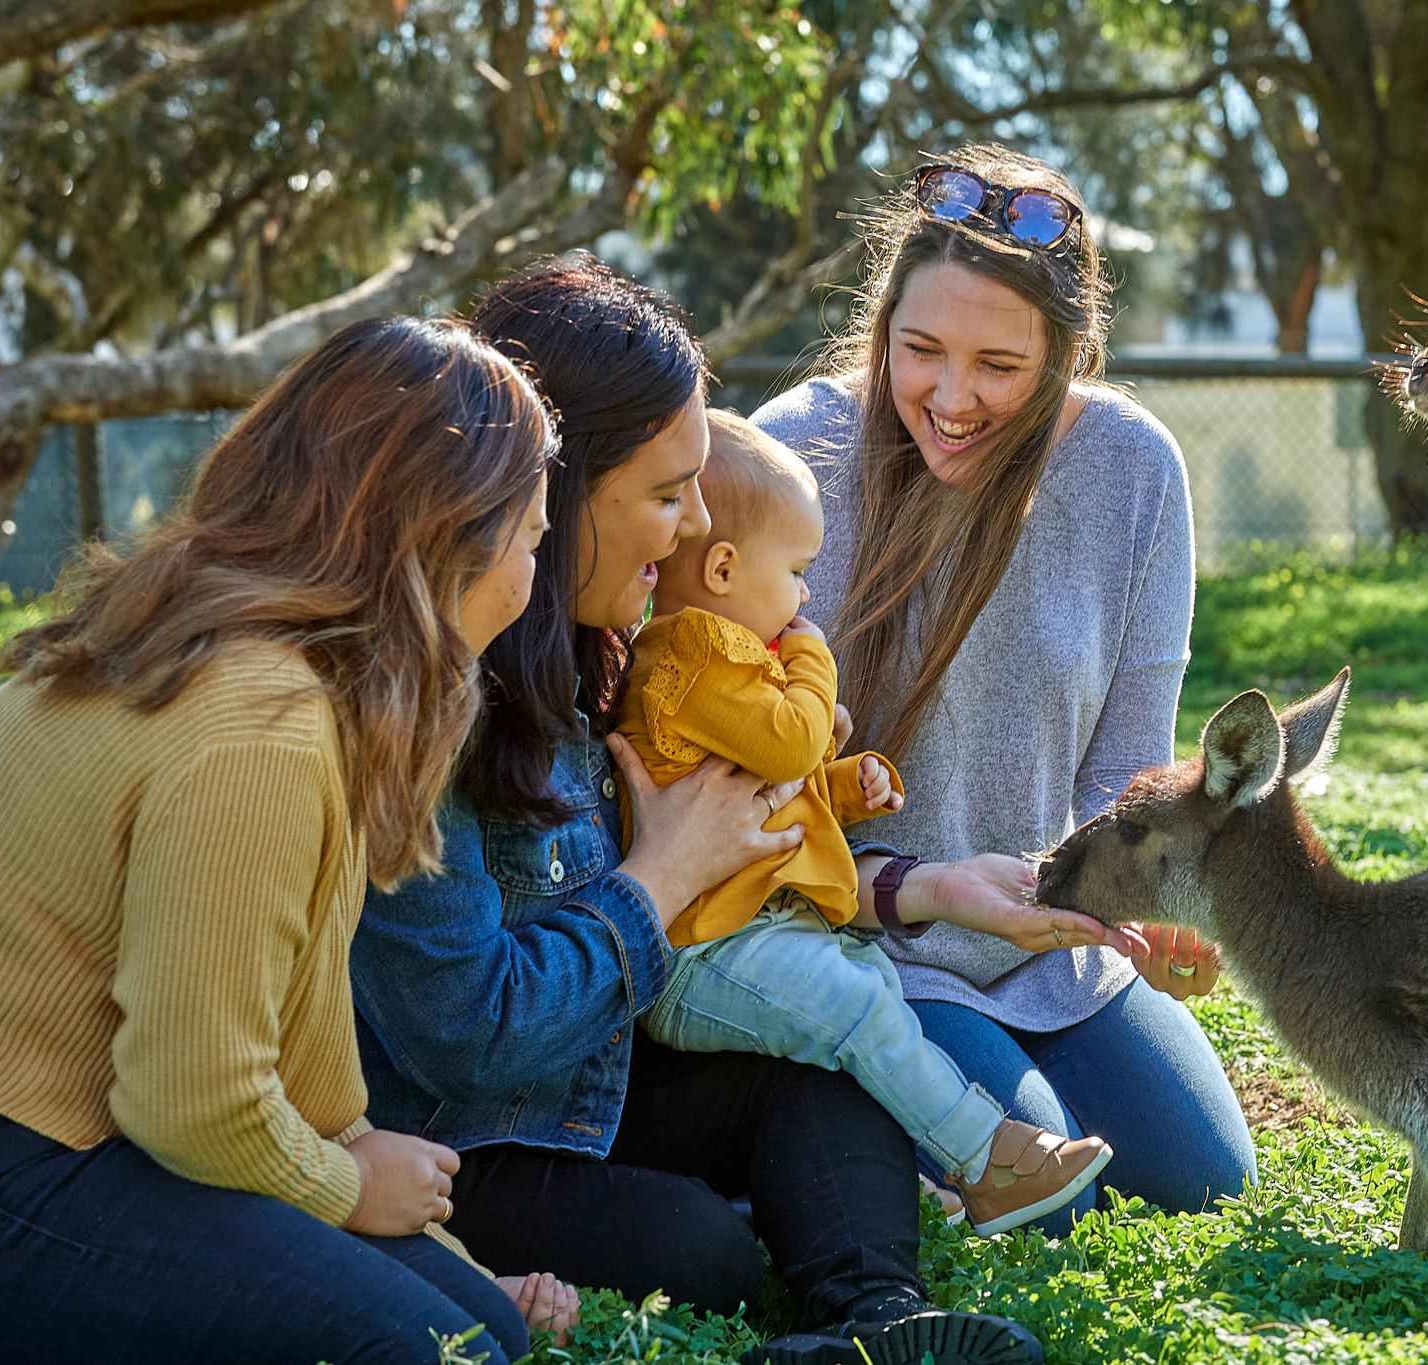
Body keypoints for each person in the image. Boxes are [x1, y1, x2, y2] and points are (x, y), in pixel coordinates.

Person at [346, 257, 1080, 1365]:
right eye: (662, 492)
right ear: (554, 485)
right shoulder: (434, 704)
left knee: (827, 1061)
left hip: (604, 1069)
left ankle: (875, 1323)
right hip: (466, 1134)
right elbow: (466, 1042)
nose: (692, 526)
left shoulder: (614, 657)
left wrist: (910, 883)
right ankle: (773, 1242)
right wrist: (658, 881)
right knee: (702, 1254)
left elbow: (745, 863)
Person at [0, 316, 577, 1364]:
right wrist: (347, 1187)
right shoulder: (259, 721)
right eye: (533, 539)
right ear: (447, 535)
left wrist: (383, 1192)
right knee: (424, 1355)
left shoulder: (283, 666)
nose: (534, 579)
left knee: (475, 1329)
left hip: (54, 1125)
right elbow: (191, 1099)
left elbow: (281, 1029)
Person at [753, 143, 1257, 1232]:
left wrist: (1139, 898)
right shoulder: (793, 453)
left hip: (1052, 938)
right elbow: (743, 793)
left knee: (1200, 1183)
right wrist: (920, 887)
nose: (950, 397)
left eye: (999, 365)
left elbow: (1129, 756)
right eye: (919, 350)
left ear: (1066, 354)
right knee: (1055, 1215)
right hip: (872, 938)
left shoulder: (1132, 465)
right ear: (881, 326)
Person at [616, 409, 1113, 1236]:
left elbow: (775, 789)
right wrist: (813, 658)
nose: (807, 596)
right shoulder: (689, 656)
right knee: (859, 1007)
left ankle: (910, 1176)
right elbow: (790, 739)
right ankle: (991, 1160)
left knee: (874, 987)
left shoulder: (729, 664)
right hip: (703, 952)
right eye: (798, 572)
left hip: (759, 931)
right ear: (726, 568)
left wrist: (844, 788)